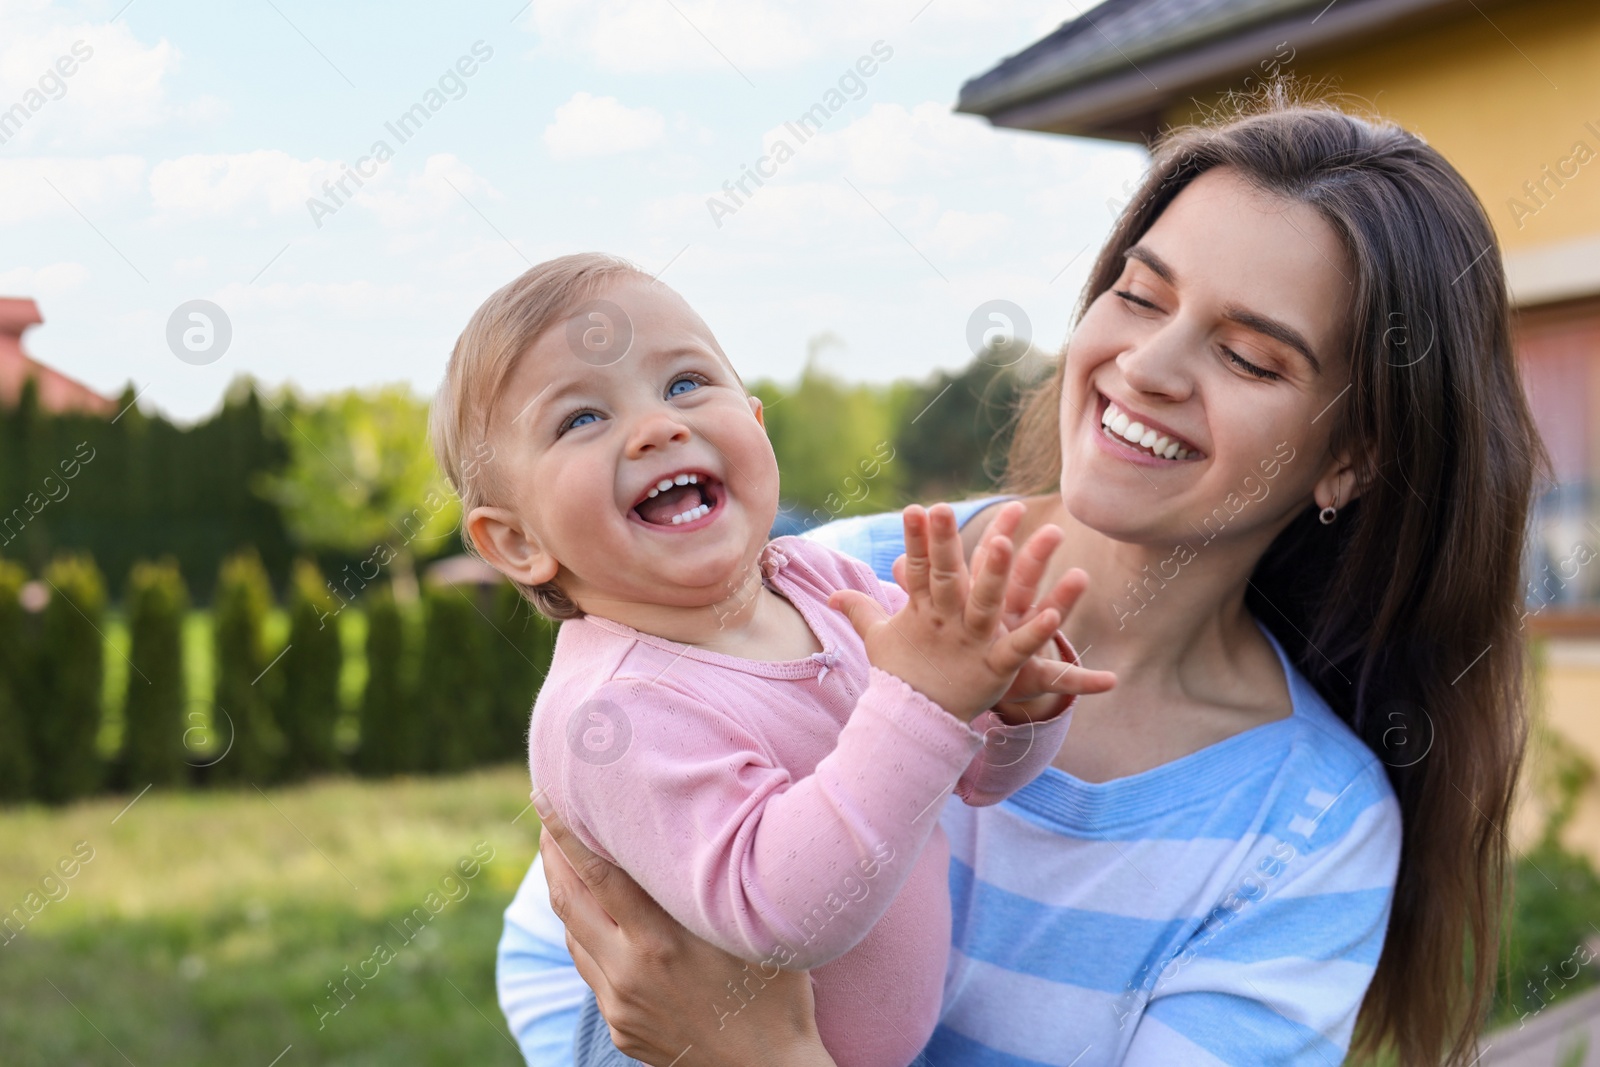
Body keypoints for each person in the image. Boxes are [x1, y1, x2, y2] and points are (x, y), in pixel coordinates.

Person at [494, 99, 1544, 1067]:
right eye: (1139, 295)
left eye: (1249, 358)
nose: (1147, 366)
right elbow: (557, 954)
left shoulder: (1309, 827)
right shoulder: (813, 588)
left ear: (1350, 454)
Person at [429, 254, 1120, 1067]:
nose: (658, 426)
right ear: (515, 540)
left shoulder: (824, 584)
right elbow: (782, 909)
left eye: (685, 383)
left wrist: (1009, 706)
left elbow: (967, 775)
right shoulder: (613, 709)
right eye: (580, 419)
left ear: (755, 421)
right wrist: (927, 701)